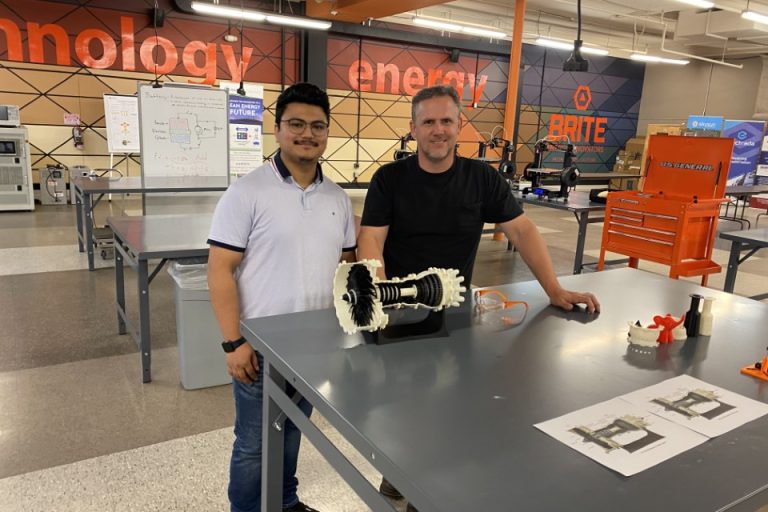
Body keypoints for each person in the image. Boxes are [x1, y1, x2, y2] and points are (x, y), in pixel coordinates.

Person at [357, 85, 600, 510]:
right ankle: (397, 472)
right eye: (428, 122)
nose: (438, 130)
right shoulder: (389, 180)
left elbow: (522, 230)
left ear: (459, 126)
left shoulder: (482, 179)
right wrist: (383, 297)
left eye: (446, 121)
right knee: (402, 402)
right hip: (400, 318)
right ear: (413, 128)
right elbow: (371, 240)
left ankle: (425, 492)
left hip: (455, 316)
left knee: (452, 403)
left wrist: (555, 289)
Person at [207, 82, 356, 512]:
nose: (307, 134)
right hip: (260, 350)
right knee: (253, 444)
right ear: (277, 129)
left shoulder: (338, 198)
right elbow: (219, 270)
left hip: (314, 347)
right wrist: (233, 342)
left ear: (327, 132)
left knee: (292, 431)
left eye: (317, 126)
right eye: (296, 124)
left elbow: (346, 268)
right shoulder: (246, 192)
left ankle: (285, 502)